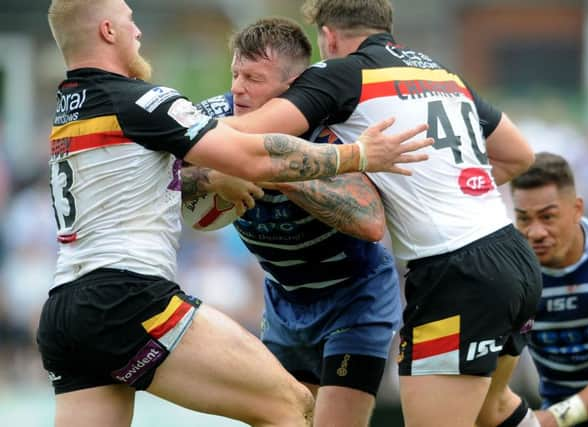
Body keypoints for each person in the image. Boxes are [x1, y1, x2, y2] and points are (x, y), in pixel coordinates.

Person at [38, 1, 434, 426]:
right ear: (107, 31)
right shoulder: (145, 102)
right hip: (127, 299)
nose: (138, 31)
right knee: (291, 404)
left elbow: (156, 170)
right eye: (130, 22)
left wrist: (209, 179)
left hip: (65, 311)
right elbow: (251, 158)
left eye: (253, 78)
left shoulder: (71, 113)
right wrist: (359, 155)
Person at [220, 1, 544, 426]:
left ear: (329, 35)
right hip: (513, 260)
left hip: (457, 274)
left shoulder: (341, 74)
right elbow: (519, 155)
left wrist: (171, 131)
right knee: (493, 409)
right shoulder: (440, 74)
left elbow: (245, 134)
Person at [184, 17, 403, 427]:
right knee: (284, 418)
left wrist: (275, 171)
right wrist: (214, 177)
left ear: (293, 84)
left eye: (253, 77)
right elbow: (158, 171)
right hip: (284, 299)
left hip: (356, 296)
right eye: (235, 74)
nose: (237, 88)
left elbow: (372, 222)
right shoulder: (215, 118)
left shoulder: (327, 127)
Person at [509, 152, 588, 427]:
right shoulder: (509, 272)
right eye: (524, 219)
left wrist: (554, 418)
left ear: (577, 209)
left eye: (547, 217)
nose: (535, 232)